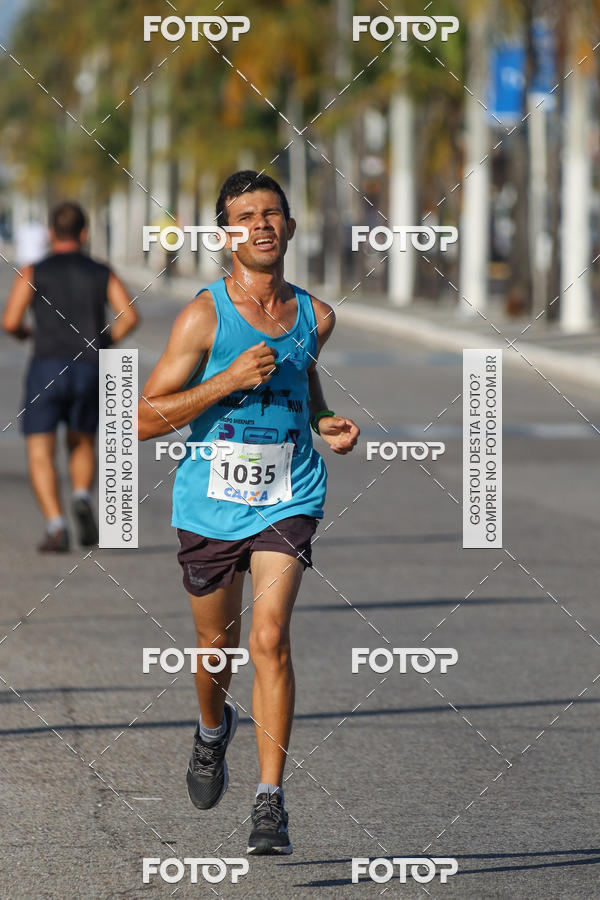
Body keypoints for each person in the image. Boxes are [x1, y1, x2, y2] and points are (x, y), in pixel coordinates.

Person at [138, 171, 359, 855]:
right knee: (217, 650)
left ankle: (270, 802)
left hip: (288, 494)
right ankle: (211, 731)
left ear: (290, 228)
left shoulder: (316, 315)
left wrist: (325, 420)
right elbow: (142, 417)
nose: (261, 224)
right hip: (209, 503)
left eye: (272, 213)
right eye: (245, 216)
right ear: (226, 234)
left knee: (269, 639)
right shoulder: (204, 316)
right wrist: (226, 381)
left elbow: (305, 378)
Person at [2, 201, 139, 552]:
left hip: (46, 366)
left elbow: (11, 321)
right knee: (82, 440)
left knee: (39, 448)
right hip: (89, 367)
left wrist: (25, 335)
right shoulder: (101, 271)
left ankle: (56, 525)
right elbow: (130, 316)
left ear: (50, 233)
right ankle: (80, 494)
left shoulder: (34, 270)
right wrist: (104, 340)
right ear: (84, 233)